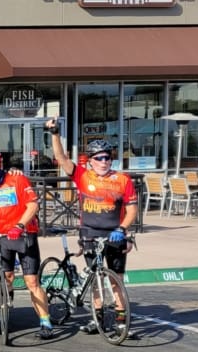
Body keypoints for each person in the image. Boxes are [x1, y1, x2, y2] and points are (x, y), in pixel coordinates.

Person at [45, 118, 137, 336]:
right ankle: (97, 319)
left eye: (107, 157)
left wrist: (123, 229)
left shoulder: (123, 180)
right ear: (91, 161)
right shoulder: (82, 176)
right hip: (90, 233)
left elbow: (132, 210)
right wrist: (55, 134)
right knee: (95, 277)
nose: (104, 162)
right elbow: (61, 158)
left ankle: (121, 323)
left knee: (117, 281)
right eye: (99, 158)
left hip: (115, 234)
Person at [0, 149, 52, 340]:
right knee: (6, 278)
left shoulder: (17, 179)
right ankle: (6, 309)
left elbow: (33, 205)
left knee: (32, 282)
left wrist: (19, 225)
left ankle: (45, 321)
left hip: (24, 235)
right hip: (2, 237)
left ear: (1, 165)